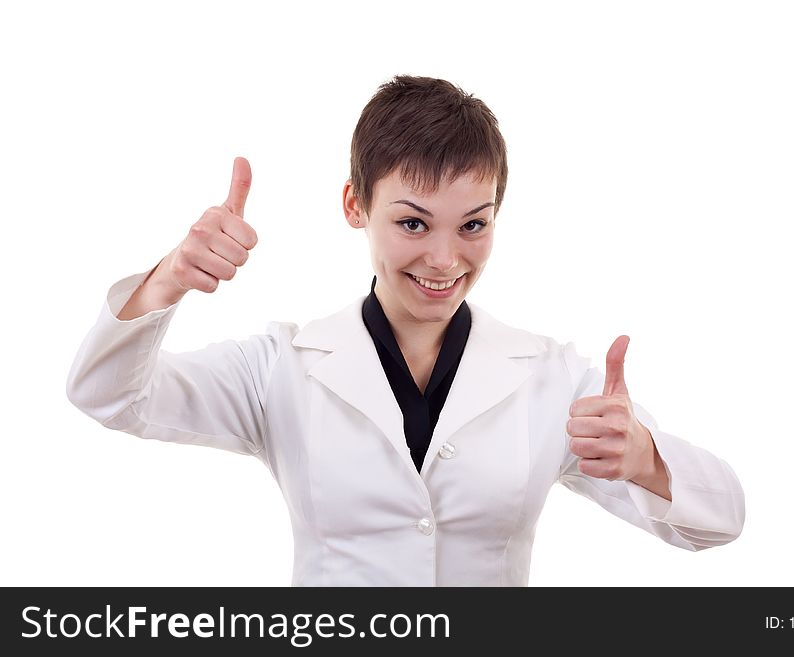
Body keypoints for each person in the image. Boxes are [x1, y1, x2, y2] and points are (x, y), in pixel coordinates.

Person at [66, 75, 745, 586]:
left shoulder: (552, 379)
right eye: (413, 223)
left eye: (473, 224)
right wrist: (169, 279)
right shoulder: (280, 368)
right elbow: (106, 394)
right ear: (355, 204)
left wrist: (647, 460)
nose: (446, 260)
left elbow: (721, 520)